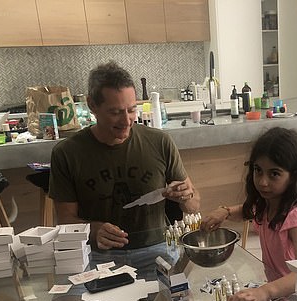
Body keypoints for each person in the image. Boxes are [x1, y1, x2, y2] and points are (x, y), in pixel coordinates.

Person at [49, 61, 200, 275]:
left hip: (157, 250)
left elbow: (194, 206)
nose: (127, 120)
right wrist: (94, 230)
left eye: (131, 110)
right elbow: (65, 220)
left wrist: (185, 196)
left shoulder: (159, 142)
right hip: (99, 257)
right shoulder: (67, 153)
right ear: (92, 105)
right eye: (115, 112)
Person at [201, 126, 297, 301]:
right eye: (258, 170)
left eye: (274, 174)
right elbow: (245, 211)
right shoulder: (267, 204)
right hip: (280, 299)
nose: (262, 182)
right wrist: (225, 212)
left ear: (294, 176)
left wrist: (265, 291)